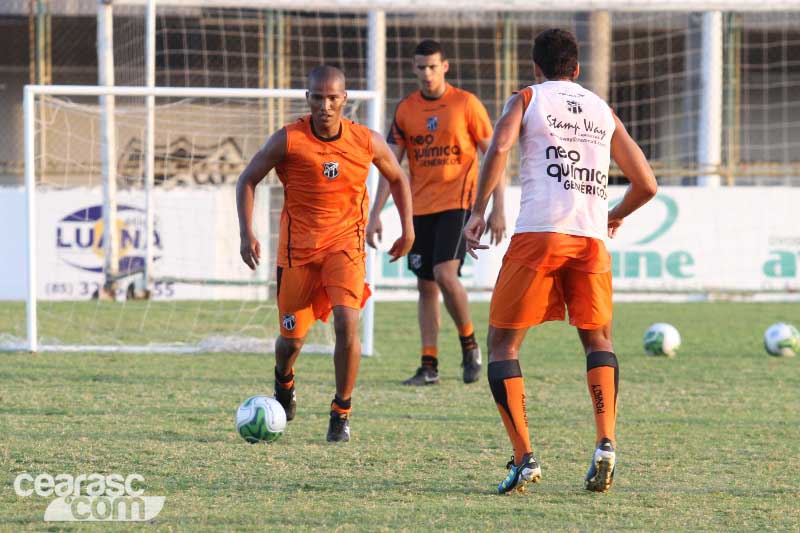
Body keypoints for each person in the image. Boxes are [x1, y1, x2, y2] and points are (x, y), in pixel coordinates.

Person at [463, 29, 658, 493]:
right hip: (589, 240)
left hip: (540, 235)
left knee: (503, 347)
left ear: (535, 67)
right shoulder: (600, 109)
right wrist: (613, 215)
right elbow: (646, 183)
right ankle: (606, 443)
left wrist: (478, 211)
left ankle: (524, 457)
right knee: (599, 341)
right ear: (577, 70)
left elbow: (500, 147)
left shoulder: (527, 99)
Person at [236, 65, 414, 442]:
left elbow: (397, 177)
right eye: (318, 97)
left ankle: (341, 412)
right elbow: (247, 179)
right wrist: (246, 231)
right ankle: (284, 382)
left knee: (347, 325)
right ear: (308, 98)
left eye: (333, 98)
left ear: (345, 99)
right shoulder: (288, 140)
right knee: (291, 342)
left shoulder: (365, 141)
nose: (325, 105)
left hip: (345, 248)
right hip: (296, 252)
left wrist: (407, 228)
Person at [366, 39, 505, 386]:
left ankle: (470, 345)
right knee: (426, 286)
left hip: (459, 204)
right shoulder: (406, 110)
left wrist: (497, 207)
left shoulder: (465, 104)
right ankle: (429, 365)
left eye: (432, 67)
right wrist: (375, 213)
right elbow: (389, 165)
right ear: (413, 69)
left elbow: (495, 156)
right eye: (420, 67)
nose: (426, 74)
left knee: (445, 273)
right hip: (419, 208)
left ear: (445, 66)